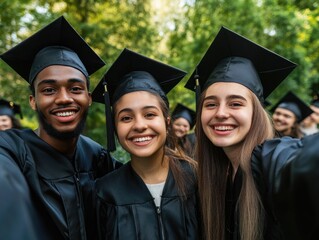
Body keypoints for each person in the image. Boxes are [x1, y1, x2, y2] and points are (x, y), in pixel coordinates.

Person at [185, 26, 319, 240]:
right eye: (210, 104)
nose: (220, 113)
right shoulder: (217, 175)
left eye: (235, 103)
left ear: (255, 112)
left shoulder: (271, 160)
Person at [0, 16, 119, 240]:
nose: (64, 98)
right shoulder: (11, 151)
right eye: (48, 90)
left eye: (75, 88)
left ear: (89, 98)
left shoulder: (98, 157)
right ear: (33, 101)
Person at [91, 48, 199, 240]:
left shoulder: (196, 179)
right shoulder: (105, 192)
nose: (139, 125)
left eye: (150, 114)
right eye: (126, 118)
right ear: (115, 128)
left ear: (167, 122)